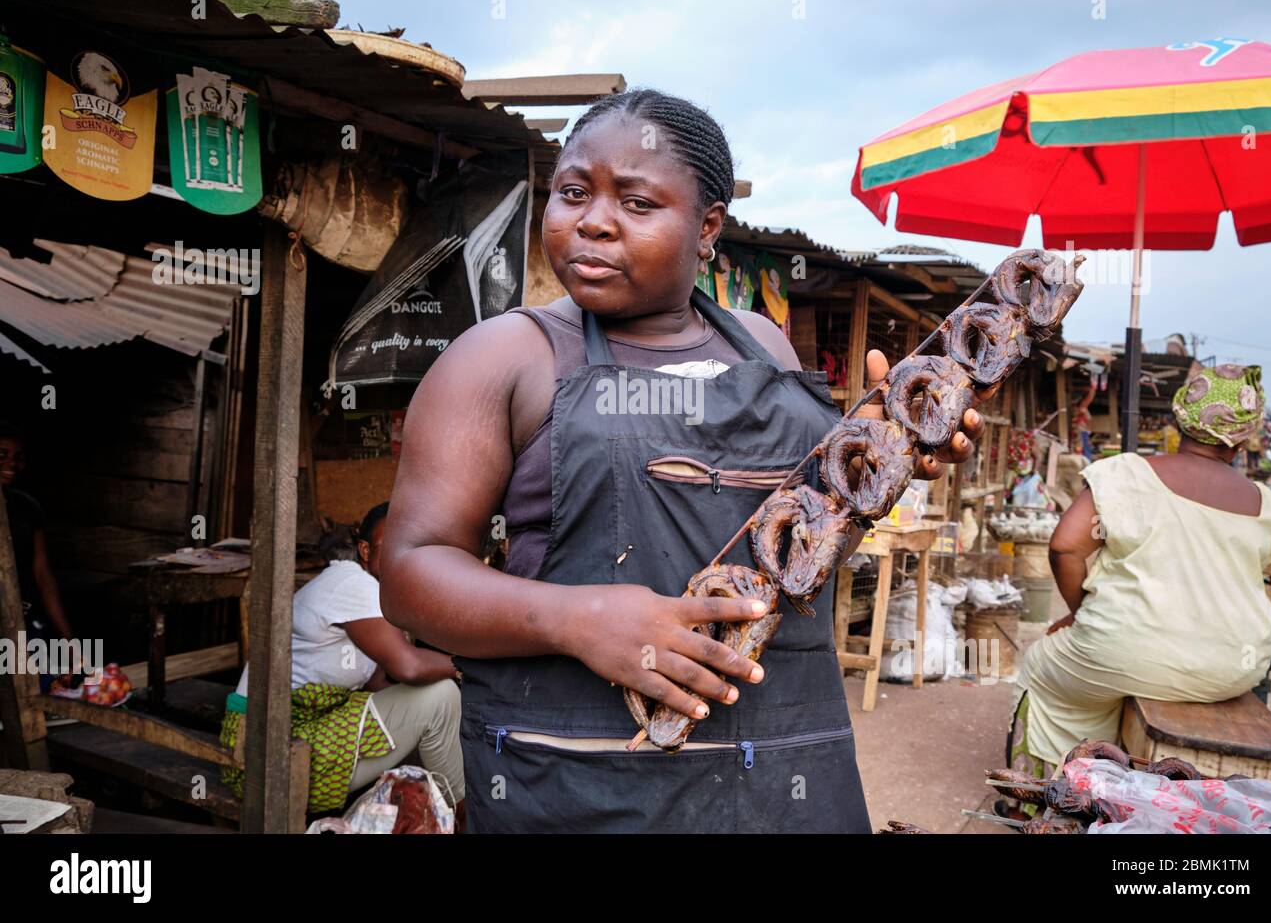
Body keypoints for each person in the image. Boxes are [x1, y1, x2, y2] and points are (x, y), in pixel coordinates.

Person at [381, 89, 989, 833]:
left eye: (636, 204)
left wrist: (877, 463)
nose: (594, 221)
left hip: (781, 770)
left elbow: (791, 548)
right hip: (585, 778)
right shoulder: (505, 358)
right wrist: (578, 619)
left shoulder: (763, 345)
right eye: (573, 192)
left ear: (706, 228)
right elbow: (410, 573)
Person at [1007, 363, 1271, 784]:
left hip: (1123, 648)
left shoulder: (1127, 473)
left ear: (1180, 418)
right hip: (1234, 666)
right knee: (1118, 672)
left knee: (1042, 671)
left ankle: (1044, 793)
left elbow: (1066, 545)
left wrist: (1080, 611)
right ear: (1243, 436)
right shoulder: (1266, 503)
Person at [222, 502, 464, 817]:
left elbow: (380, 682)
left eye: (411, 548)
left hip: (288, 734)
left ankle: (444, 811)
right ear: (364, 549)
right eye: (389, 546)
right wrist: (466, 665)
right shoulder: (353, 585)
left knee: (430, 702)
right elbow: (409, 666)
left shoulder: (371, 593)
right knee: (442, 697)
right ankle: (464, 816)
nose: (401, 558)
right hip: (266, 750)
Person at [0, 423, 74, 687]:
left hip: (22, 615)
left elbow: (43, 576)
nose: (11, 463)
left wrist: (68, 639)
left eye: (18, 457)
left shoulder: (27, 508)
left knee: (48, 680)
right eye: (2, 454)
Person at [1072, 377, 1096, 461]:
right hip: (1079, 434)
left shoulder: (1082, 409)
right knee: (1081, 452)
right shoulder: (1079, 411)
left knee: (1084, 453)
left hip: (1082, 434)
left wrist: (1076, 388)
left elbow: (1091, 392)